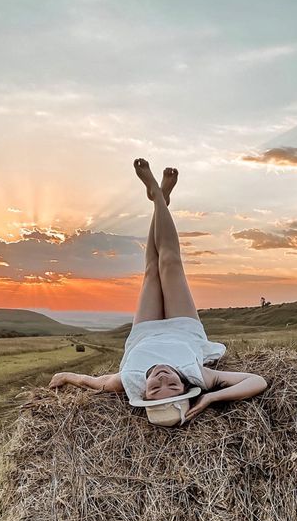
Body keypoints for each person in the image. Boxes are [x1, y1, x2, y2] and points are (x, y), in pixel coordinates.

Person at [48, 159, 268, 426]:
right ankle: (158, 196)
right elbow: (257, 381)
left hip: (145, 330)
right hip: (185, 328)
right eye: (172, 387)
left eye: (154, 389)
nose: (163, 379)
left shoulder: (128, 380)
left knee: (152, 269)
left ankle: (159, 198)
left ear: (143, 390)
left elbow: (95, 381)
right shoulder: (197, 374)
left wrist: (68, 376)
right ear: (187, 388)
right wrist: (212, 398)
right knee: (171, 263)